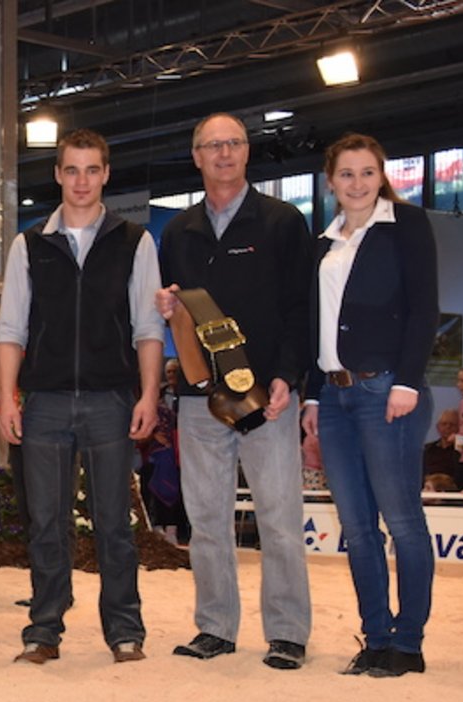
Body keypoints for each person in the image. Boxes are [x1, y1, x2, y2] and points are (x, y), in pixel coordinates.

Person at [0, 128, 163, 665]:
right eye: (72, 170)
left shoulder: (135, 241)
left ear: (106, 174)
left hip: (111, 400)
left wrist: (149, 394)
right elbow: (10, 329)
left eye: (92, 170)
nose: (82, 180)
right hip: (42, 401)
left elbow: (148, 328)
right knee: (46, 521)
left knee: (115, 521)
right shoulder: (30, 244)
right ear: (58, 175)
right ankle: (44, 629)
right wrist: (6, 397)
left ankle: (124, 630)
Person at [156, 112, 314, 669]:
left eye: (233, 144)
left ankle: (289, 632)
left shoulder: (281, 221)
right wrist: (169, 309)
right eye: (211, 146)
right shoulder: (177, 232)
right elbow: (179, 310)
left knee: (279, 518)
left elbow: (302, 308)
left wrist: (288, 377)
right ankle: (215, 626)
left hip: (267, 397)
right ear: (196, 157)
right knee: (206, 520)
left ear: (247, 153)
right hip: (201, 400)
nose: (223, 153)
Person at [302, 132, 438, 678]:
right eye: (345, 174)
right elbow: (316, 322)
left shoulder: (406, 227)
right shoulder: (324, 241)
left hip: (388, 391)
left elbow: (424, 307)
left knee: (402, 519)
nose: (356, 183)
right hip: (333, 399)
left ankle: (409, 643)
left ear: (381, 176)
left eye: (366, 172)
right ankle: (376, 637)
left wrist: (408, 381)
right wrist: (313, 393)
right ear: (330, 181)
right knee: (357, 527)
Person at [422, 409, 460, 483]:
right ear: (438, 427)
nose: (448, 427)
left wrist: (458, 440)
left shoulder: (462, 448)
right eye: (444, 424)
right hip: (429, 489)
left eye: (452, 424)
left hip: (454, 490)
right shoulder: (428, 449)